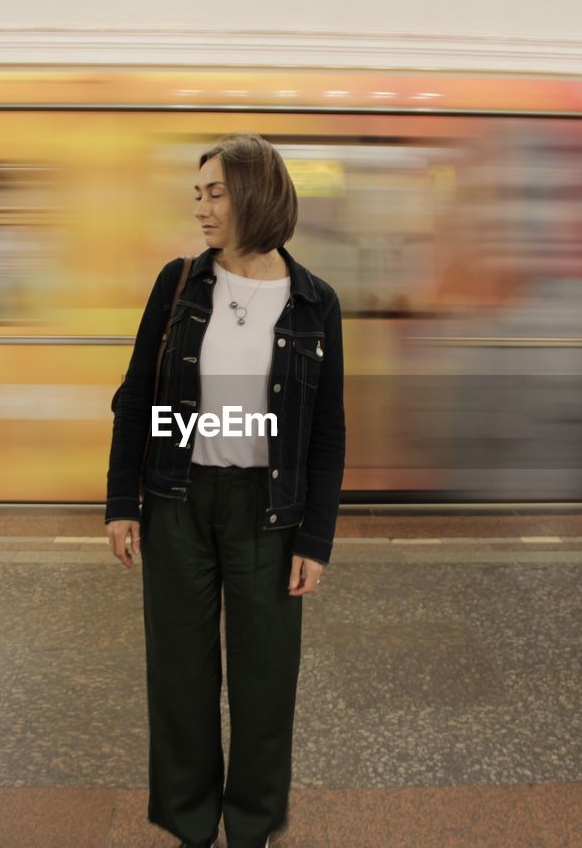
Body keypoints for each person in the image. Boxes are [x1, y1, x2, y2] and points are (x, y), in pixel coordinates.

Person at [106, 133, 345, 847]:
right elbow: (137, 394)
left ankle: (251, 827)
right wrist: (123, 501)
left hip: (269, 513)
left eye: (215, 193)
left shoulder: (313, 303)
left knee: (265, 679)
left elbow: (327, 429)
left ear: (256, 195)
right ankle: (190, 826)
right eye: (198, 194)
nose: (202, 208)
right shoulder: (179, 283)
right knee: (180, 677)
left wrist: (317, 536)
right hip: (179, 499)